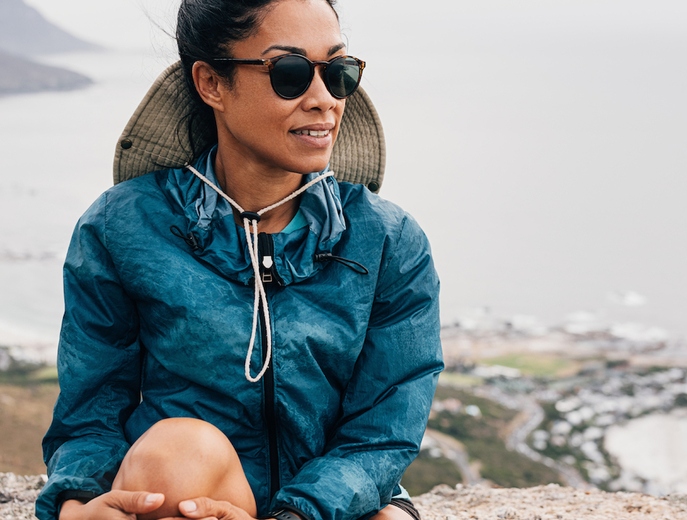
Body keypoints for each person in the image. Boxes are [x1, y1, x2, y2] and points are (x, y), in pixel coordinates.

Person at [34, 1, 443, 519]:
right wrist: (77, 502)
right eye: (290, 73)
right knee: (177, 453)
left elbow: (382, 434)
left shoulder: (388, 240)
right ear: (211, 83)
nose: (324, 100)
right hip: (189, 498)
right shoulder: (124, 226)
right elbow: (90, 411)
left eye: (339, 72)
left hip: (331, 506)